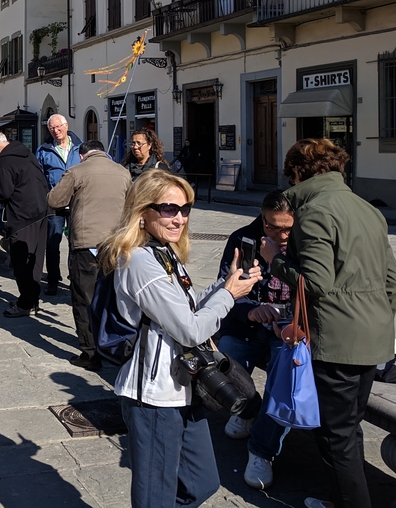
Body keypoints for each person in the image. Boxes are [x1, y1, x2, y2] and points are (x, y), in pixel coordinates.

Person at [98, 170, 261, 508]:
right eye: (169, 209)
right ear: (142, 212)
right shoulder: (139, 261)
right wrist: (230, 295)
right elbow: (189, 329)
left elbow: (186, 307)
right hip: (154, 395)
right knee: (155, 496)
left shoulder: (163, 251)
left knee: (202, 482)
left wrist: (225, 283)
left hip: (182, 388)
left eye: (185, 209)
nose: (180, 218)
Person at [260, 139, 396, 508]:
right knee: (347, 431)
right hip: (374, 338)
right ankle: (340, 499)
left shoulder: (315, 211)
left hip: (337, 340)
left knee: (337, 438)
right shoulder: (368, 209)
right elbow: (392, 280)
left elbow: (315, 283)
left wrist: (274, 259)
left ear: (299, 172)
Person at [215, 191, 295, 490]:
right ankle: (250, 411)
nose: (282, 235)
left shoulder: (305, 242)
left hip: (289, 329)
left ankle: (261, 450)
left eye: (288, 227)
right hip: (250, 323)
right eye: (273, 227)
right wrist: (250, 311)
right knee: (224, 360)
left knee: (285, 378)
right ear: (262, 218)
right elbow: (225, 288)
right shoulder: (243, 239)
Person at [46, 140, 131, 370]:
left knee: (84, 298)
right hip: (116, 244)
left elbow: (54, 200)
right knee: (113, 299)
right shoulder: (123, 173)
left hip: (86, 243)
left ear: (82, 155)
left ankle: (90, 353)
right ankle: (114, 346)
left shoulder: (76, 171)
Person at [0, 131, 50, 318]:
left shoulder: (5, 161)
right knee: (36, 261)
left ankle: (24, 304)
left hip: (22, 216)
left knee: (20, 262)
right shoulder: (27, 153)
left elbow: (3, 192)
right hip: (41, 211)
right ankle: (32, 300)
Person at [35, 114, 83, 295]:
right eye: (52, 128)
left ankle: (74, 279)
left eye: (58, 127)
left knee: (76, 243)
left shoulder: (80, 147)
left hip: (77, 203)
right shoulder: (43, 150)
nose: (56, 131)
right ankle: (53, 280)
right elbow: (39, 178)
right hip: (54, 204)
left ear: (66, 125)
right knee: (52, 243)